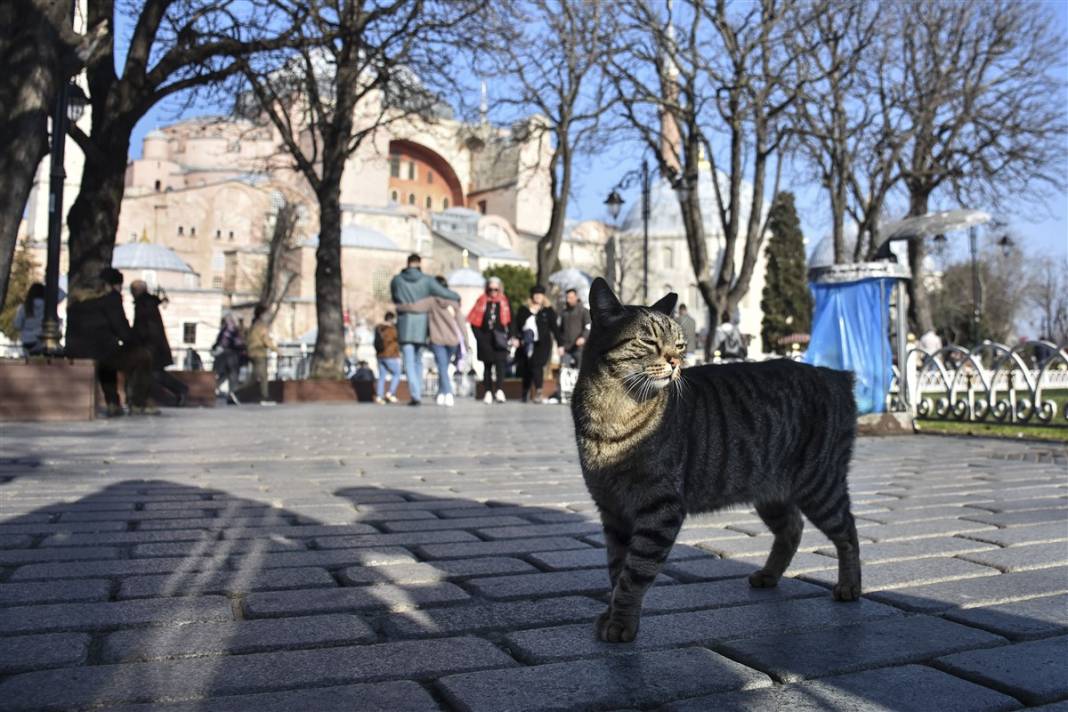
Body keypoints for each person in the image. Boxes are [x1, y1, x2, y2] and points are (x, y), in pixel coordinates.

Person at [65, 268, 154, 416]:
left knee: (109, 358)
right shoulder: (111, 299)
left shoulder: (77, 301)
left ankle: (113, 402)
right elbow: (121, 329)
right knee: (143, 357)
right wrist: (136, 342)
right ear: (114, 285)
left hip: (77, 351)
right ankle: (138, 403)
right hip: (102, 352)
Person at [389, 253, 461, 406]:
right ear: (419, 263)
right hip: (422, 326)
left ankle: (415, 393)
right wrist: (456, 296)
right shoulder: (427, 280)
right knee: (418, 360)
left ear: (407, 263)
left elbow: (395, 297)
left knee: (408, 361)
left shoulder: (397, 281)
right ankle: (418, 390)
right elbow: (444, 292)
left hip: (404, 323)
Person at [130, 280, 189, 406]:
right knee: (154, 373)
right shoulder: (148, 303)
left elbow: (143, 327)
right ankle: (178, 391)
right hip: (154, 345)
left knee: (154, 374)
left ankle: (179, 390)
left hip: (151, 346)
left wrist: (136, 339)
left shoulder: (144, 304)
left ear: (136, 291)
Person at [468, 276, 512, 404]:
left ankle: (499, 390)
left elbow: (510, 320)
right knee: (487, 366)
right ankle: (488, 391)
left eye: (496, 289)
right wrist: (479, 337)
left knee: (500, 365)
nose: (493, 292)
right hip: (485, 339)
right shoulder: (481, 301)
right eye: (491, 289)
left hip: (499, 339)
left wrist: (510, 336)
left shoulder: (504, 302)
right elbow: (473, 321)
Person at [514, 285, 561, 403]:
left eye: (540, 295)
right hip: (526, 343)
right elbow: (516, 326)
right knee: (527, 368)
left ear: (543, 296)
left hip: (543, 344)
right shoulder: (523, 310)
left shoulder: (548, 311)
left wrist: (560, 344)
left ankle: (539, 391)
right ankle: (525, 392)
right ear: (532, 296)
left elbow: (555, 328)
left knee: (537, 366)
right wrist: (515, 338)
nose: (538, 297)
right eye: (536, 294)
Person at [246, 305, 277, 405]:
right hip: (259, 353)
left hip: (253, 352)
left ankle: (264, 395)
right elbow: (266, 340)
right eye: (267, 313)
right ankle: (264, 396)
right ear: (262, 314)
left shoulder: (254, 324)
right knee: (261, 376)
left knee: (257, 376)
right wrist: (277, 350)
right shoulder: (261, 326)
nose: (268, 315)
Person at [212, 313, 245, 405]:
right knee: (233, 376)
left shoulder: (224, 330)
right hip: (231, 355)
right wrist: (243, 348)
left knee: (224, 374)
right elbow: (237, 343)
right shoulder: (232, 330)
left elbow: (218, 342)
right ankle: (232, 395)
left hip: (223, 355)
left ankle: (213, 388)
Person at [557, 288, 590, 369]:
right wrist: (560, 345)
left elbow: (588, 327)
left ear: (576, 297)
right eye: (567, 298)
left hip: (579, 348)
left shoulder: (584, 311)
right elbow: (559, 331)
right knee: (564, 373)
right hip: (566, 349)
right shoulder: (564, 312)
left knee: (579, 373)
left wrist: (583, 337)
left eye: (571, 297)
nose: (569, 300)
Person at [373, 312, 402, 404]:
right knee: (397, 373)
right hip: (390, 355)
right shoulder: (391, 329)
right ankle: (390, 393)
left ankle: (379, 396)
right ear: (392, 319)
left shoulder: (378, 328)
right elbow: (395, 340)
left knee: (382, 376)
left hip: (380, 355)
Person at [13, 283, 47, 355]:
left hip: (26, 340)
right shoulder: (47, 308)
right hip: (40, 340)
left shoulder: (24, 307)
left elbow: (17, 325)